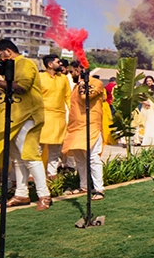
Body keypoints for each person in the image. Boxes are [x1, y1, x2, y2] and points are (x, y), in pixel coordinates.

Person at [0, 40, 50, 211]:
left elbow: (22, 87)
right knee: (17, 158)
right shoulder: (13, 65)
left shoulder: (24, 63)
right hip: (16, 116)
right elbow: (13, 89)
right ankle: (21, 194)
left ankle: (44, 195)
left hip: (28, 116)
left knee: (30, 156)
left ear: (8, 51)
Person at [62, 72, 107, 201]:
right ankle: (84, 186)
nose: (71, 73)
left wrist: (83, 84)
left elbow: (84, 97)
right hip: (75, 127)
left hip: (90, 126)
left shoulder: (95, 83)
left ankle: (99, 189)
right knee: (79, 158)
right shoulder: (76, 86)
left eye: (73, 70)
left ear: (80, 70)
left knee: (93, 158)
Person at [39, 55, 71, 179]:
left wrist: (73, 113)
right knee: (38, 148)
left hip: (59, 117)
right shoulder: (40, 77)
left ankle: (52, 174)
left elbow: (68, 97)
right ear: (50, 64)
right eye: (58, 62)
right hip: (43, 116)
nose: (61, 64)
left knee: (55, 148)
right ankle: (33, 175)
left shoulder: (63, 78)